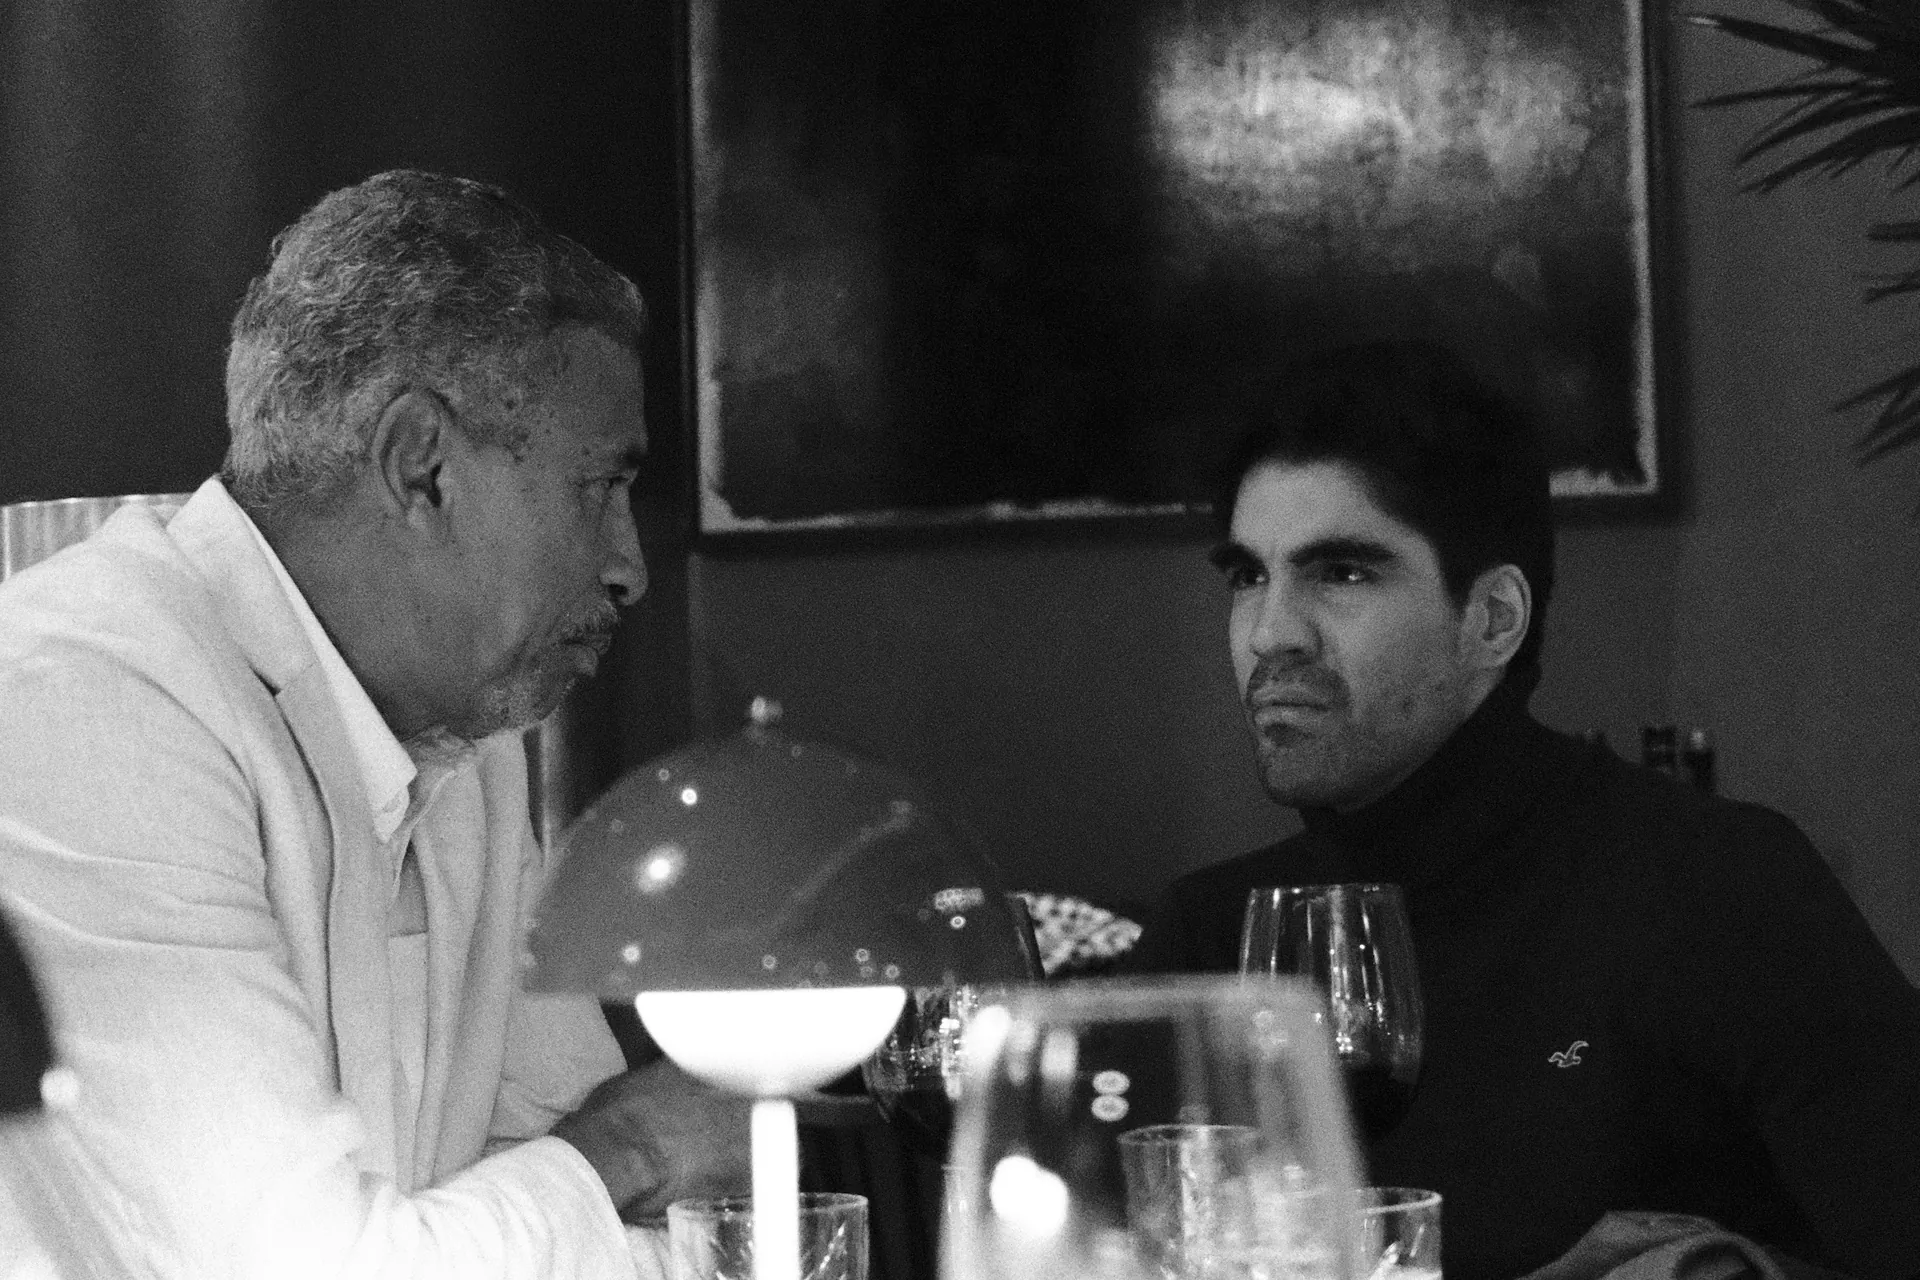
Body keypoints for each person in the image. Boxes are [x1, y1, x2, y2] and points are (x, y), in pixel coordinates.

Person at [0, 170, 747, 1279]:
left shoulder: (469, 732)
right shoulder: (85, 698)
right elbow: (311, 1267)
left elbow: (580, 1220)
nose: (629, 564)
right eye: (599, 486)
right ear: (420, 466)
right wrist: (641, 1141)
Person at [1129, 341, 1920, 1280]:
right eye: (1248, 576)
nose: (1271, 634)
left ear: (1493, 620)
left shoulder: (1716, 888)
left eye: (1342, 573)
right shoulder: (1209, 942)